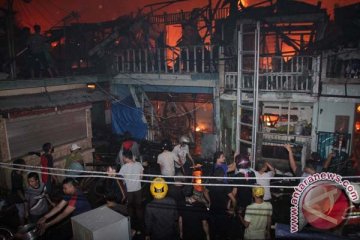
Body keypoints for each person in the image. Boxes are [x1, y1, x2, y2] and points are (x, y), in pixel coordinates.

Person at [119, 150, 144, 234]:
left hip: (129, 191)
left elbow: (120, 179)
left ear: (126, 158)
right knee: (139, 208)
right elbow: (141, 177)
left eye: (123, 157)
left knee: (130, 209)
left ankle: (132, 229)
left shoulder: (124, 167)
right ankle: (141, 229)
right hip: (138, 190)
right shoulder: (138, 164)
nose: (122, 158)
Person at [208, 167, 237, 240]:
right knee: (223, 232)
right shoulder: (224, 185)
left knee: (213, 231)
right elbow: (233, 199)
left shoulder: (211, 183)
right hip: (222, 212)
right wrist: (233, 209)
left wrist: (209, 201)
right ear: (223, 175)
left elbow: (204, 190)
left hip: (212, 210)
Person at [232, 153, 256, 238]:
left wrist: (230, 204)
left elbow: (234, 192)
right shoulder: (252, 174)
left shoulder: (237, 176)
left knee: (239, 222)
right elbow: (254, 190)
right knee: (248, 222)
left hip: (240, 204)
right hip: (249, 203)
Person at [11, 158, 26, 225]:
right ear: (20, 166)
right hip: (18, 197)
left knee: (21, 211)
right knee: (21, 212)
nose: (25, 165)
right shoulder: (18, 177)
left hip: (15, 194)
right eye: (23, 164)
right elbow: (18, 190)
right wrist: (24, 199)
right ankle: (22, 226)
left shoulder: (14, 172)